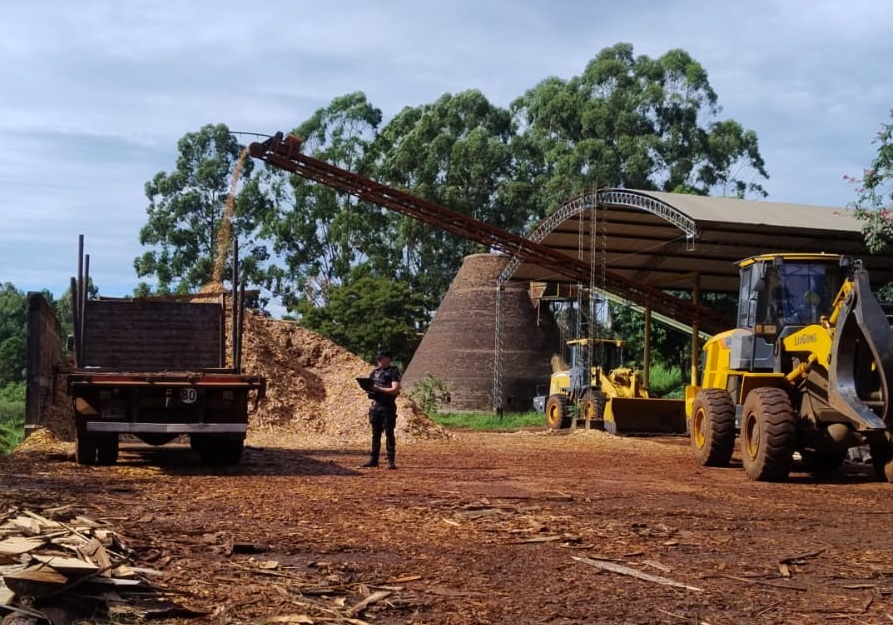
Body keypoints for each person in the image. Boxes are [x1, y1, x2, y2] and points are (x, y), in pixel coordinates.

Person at [360, 349, 402, 469]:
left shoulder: (393, 372)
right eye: (378, 358)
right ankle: (374, 459)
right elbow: (370, 385)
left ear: (388, 359)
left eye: (381, 358)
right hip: (376, 406)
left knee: (389, 433)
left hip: (387, 406)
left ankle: (391, 461)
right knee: (375, 434)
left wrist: (379, 389)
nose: (378, 361)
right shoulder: (375, 372)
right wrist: (369, 388)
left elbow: (395, 390)